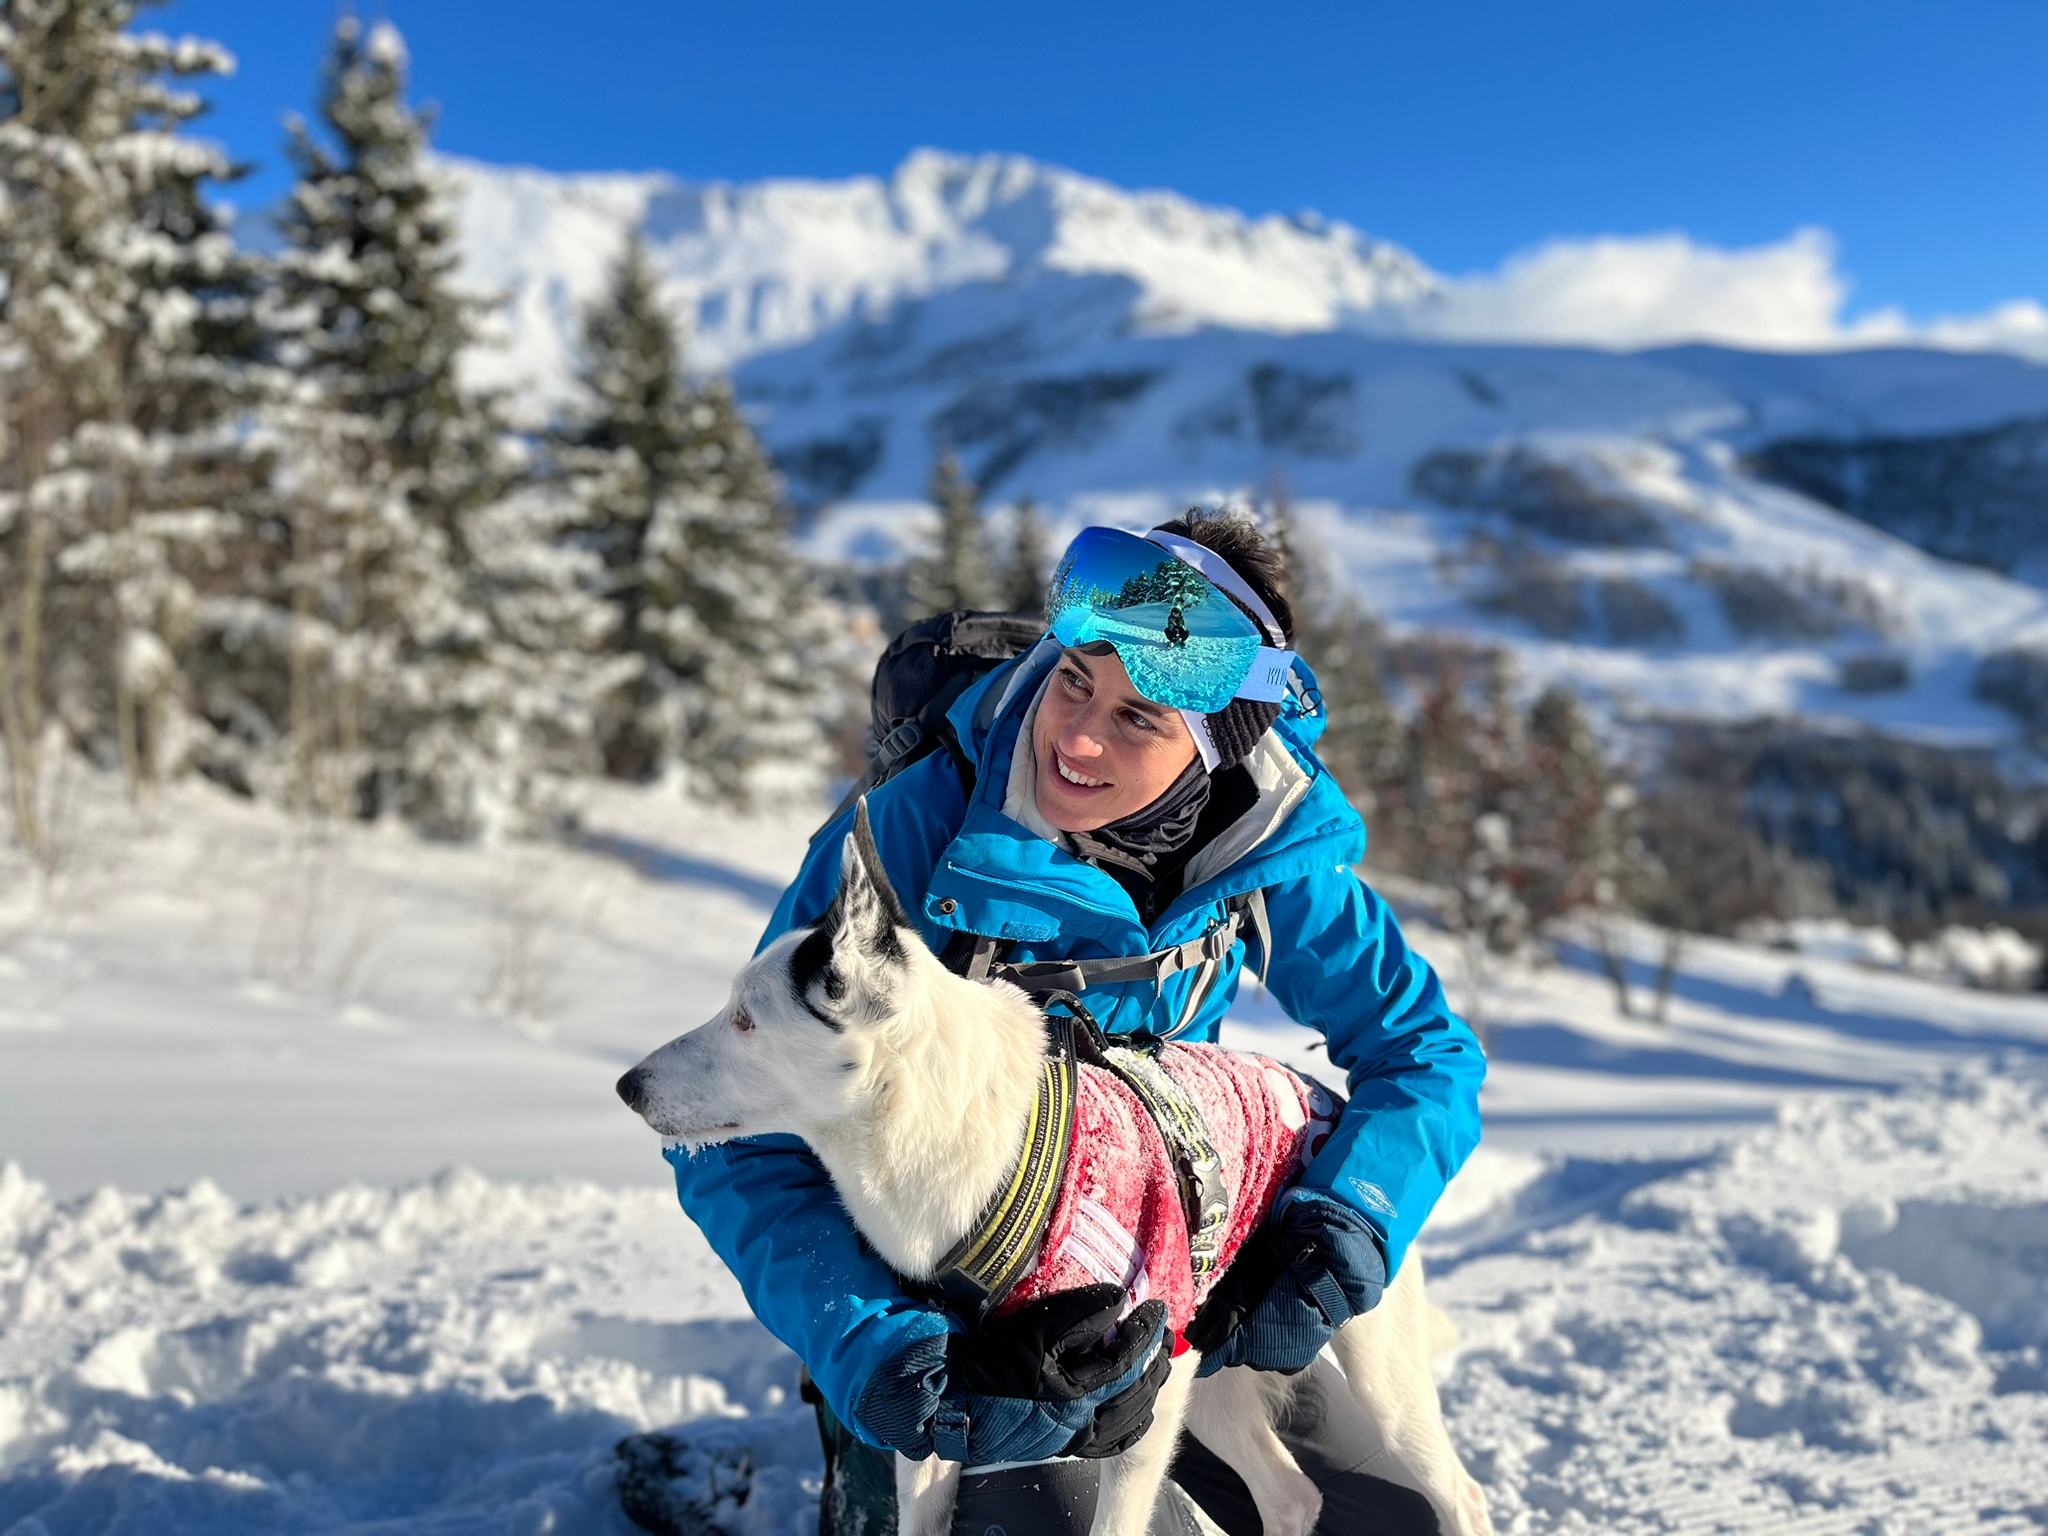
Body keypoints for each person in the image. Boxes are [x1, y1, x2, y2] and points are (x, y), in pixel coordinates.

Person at [666, 509, 1486, 1534]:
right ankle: (803, 1477)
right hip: (935, 1313)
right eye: (1072, 680)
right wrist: (880, 1351)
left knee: (1389, 1522)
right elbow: (733, 1138)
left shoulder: (1263, 853)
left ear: (1212, 748)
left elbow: (1425, 1054)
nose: (1078, 736)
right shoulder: (918, 827)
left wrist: (1344, 1224)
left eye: (1140, 718)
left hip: (1153, 1270)